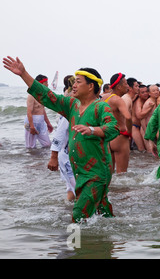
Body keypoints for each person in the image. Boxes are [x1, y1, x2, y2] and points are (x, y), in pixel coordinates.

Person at [3, 56, 119, 222]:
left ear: (91, 86)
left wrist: (92, 129)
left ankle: (78, 246)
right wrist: (23, 74)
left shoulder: (101, 106)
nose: (74, 85)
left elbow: (113, 128)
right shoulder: (72, 105)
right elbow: (47, 96)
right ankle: (109, 242)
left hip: (97, 172)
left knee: (78, 216)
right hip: (81, 172)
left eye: (78, 81)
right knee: (102, 213)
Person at [47, 75, 76, 201]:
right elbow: (59, 134)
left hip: (75, 155)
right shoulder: (69, 112)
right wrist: (53, 157)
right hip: (66, 156)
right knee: (75, 188)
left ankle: (69, 213)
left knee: (72, 189)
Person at [102, 73, 133, 173]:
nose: (127, 86)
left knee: (109, 173)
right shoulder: (118, 100)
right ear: (119, 87)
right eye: (125, 83)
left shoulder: (104, 98)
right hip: (120, 137)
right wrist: (129, 132)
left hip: (107, 137)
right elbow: (128, 117)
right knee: (122, 174)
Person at [24, 74, 54, 148]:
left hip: (41, 122)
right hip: (31, 122)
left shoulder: (43, 95)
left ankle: (41, 158)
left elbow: (42, 110)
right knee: (30, 146)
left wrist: (48, 123)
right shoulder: (31, 96)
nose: (47, 84)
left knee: (47, 144)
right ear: (41, 83)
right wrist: (31, 126)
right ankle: (31, 159)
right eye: (46, 82)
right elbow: (29, 112)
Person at [131, 84, 149, 152]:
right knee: (142, 150)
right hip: (135, 127)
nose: (145, 94)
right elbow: (139, 115)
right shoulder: (138, 101)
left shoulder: (146, 100)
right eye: (143, 92)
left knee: (146, 150)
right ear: (139, 94)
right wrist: (149, 108)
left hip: (142, 126)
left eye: (146, 91)